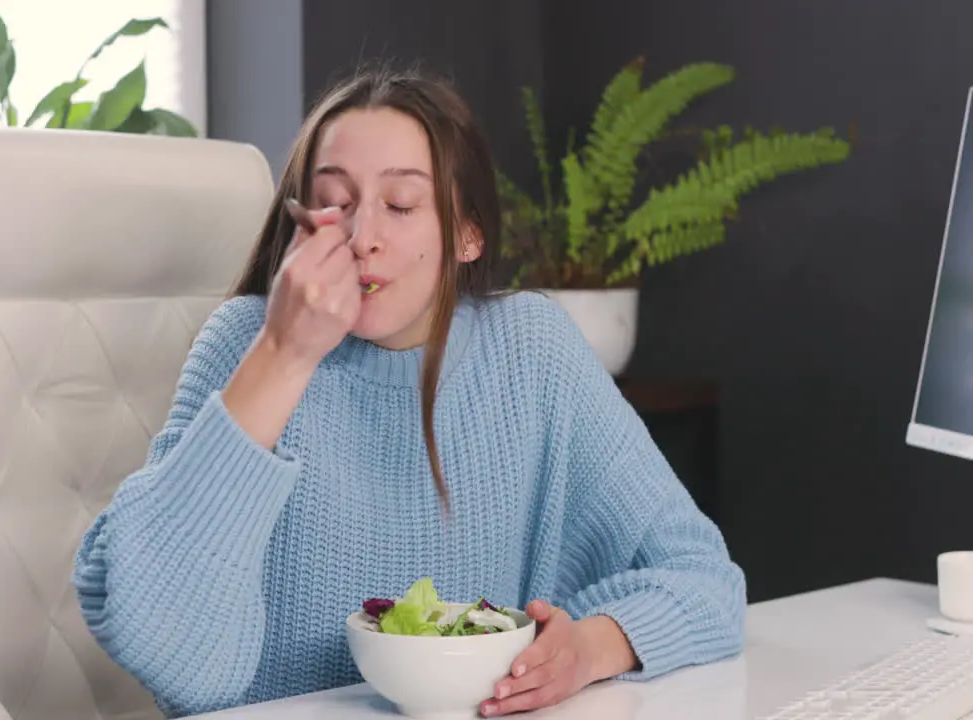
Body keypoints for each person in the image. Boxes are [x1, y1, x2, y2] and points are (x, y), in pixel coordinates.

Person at [72, 63, 746, 719]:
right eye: (335, 203)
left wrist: (590, 649)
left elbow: (704, 579)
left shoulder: (532, 350)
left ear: (468, 233)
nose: (363, 238)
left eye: (400, 205)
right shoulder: (247, 341)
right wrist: (284, 355)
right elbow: (166, 647)